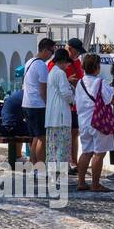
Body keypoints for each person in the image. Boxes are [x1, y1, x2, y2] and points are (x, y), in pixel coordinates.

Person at [73, 53, 114, 192]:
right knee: (99, 153)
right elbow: (110, 99)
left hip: (84, 121)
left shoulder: (80, 82)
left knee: (86, 152)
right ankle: (95, 184)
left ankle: (81, 182)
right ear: (97, 68)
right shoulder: (100, 82)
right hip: (98, 121)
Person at [49, 38, 85, 175]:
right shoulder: (57, 65)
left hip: (75, 106)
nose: (78, 55)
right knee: (62, 136)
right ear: (70, 49)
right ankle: (62, 164)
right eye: (77, 52)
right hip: (63, 107)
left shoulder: (77, 62)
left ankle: (73, 162)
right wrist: (67, 81)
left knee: (74, 134)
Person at [22, 38, 55, 167]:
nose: (52, 55)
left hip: (27, 104)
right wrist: (49, 106)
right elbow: (43, 90)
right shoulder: (41, 66)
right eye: (51, 52)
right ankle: (40, 167)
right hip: (38, 105)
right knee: (42, 138)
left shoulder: (30, 62)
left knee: (35, 137)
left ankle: (34, 165)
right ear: (45, 50)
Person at [44, 47, 75, 177]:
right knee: (62, 144)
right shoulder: (60, 73)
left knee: (53, 145)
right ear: (62, 61)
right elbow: (65, 93)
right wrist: (73, 99)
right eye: (67, 63)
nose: (68, 66)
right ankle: (62, 170)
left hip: (52, 115)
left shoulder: (52, 72)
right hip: (60, 115)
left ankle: (54, 168)